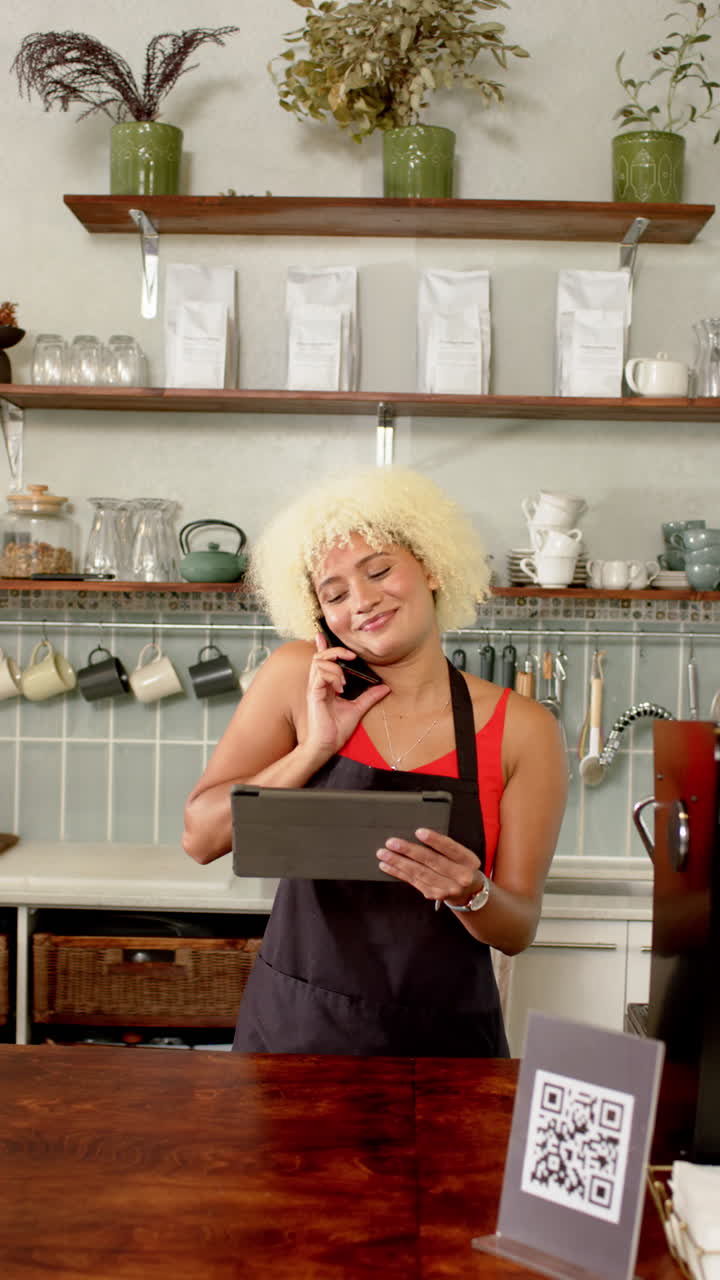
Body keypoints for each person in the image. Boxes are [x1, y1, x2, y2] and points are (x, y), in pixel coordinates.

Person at [183, 467, 567, 1055]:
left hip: (445, 1046)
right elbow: (201, 836)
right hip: (295, 1035)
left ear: (433, 567)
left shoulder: (524, 729)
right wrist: (314, 748)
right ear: (320, 616)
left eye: (380, 570)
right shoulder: (295, 678)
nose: (361, 601)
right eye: (334, 594)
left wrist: (471, 891)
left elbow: (517, 929)